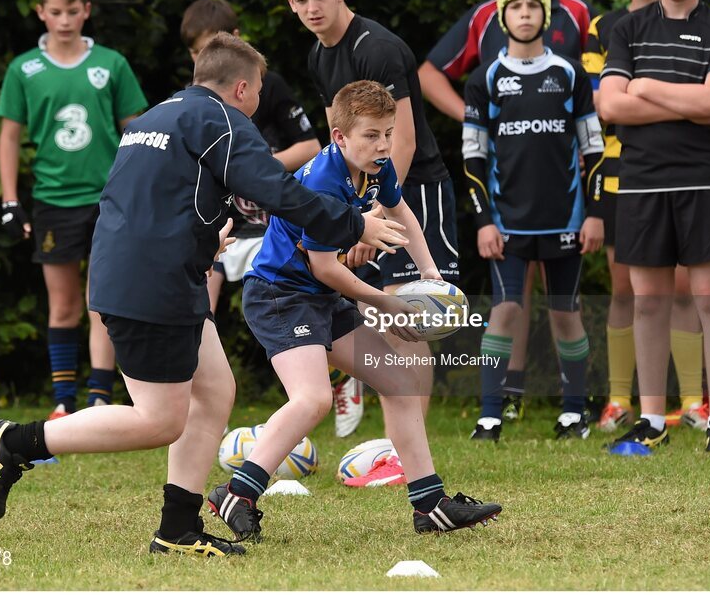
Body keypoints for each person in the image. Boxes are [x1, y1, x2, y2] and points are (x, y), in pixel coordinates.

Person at [0, 34, 411, 557]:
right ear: (243, 87)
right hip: (151, 283)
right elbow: (279, 190)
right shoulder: (220, 119)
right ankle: (16, 442)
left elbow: (147, 199)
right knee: (160, 419)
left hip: (149, 273)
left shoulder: (159, 116)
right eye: (258, 93)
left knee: (214, 392)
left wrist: (204, 239)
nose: (258, 105)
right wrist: (353, 223)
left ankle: (177, 529)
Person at [206, 80, 502, 539]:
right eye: (371, 135)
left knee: (399, 381)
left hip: (320, 298)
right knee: (314, 399)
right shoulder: (325, 180)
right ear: (339, 136)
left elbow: (400, 213)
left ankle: (430, 505)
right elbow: (325, 268)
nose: (383, 145)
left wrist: (430, 277)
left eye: (388, 133)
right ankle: (237, 493)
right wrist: (387, 303)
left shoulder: (375, 166)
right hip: (280, 296)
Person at [282, 0, 457, 485]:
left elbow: (397, 140)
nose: (313, 7)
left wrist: (371, 217)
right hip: (361, 201)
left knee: (409, 322)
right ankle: (398, 448)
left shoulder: (376, 47)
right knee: (376, 320)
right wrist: (350, 219)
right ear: (291, 4)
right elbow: (341, 144)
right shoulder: (318, 54)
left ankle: (407, 460)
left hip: (409, 191)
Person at [420, 0, 594, 423]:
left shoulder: (579, 14)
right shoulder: (482, 22)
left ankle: (576, 410)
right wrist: (476, 120)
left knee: (562, 304)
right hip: (506, 188)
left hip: (562, 187)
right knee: (509, 300)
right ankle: (502, 403)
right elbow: (429, 73)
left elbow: (592, 93)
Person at [177, 0, 367, 436]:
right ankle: (200, 396)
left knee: (310, 286)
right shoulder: (195, 108)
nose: (207, 62)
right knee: (197, 294)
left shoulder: (268, 88)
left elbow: (312, 147)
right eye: (197, 54)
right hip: (229, 227)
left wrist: (256, 173)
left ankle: (339, 377)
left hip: (278, 222)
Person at [597, 0, 710, 453]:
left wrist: (649, 87)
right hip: (641, 183)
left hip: (706, 180)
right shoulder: (628, 29)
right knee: (648, 302)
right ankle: (653, 419)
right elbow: (611, 107)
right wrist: (686, 98)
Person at [0, 0, 148, 420]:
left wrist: (142, 189)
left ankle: (99, 396)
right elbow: (8, 137)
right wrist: (9, 200)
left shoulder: (112, 64)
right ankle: (63, 401)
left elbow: (137, 131)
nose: (64, 20)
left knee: (101, 300)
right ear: (41, 12)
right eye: (55, 12)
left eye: (73, 11)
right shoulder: (24, 68)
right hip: (53, 201)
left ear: (87, 11)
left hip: (108, 200)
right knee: (62, 305)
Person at [464, 0, 604, 442]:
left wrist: (597, 213)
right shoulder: (485, 79)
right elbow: (471, 159)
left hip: (565, 219)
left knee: (566, 313)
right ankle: (489, 415)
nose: (525, 14)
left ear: (547, 14)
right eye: (516, 7)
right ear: (503, 17)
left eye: (533, 6)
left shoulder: (570, 74)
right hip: (506, 222)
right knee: (505, 311)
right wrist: (484, 220)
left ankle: (573, 413)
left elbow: (595, 150)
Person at [583, 0, 708, 434]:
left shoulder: (696, 23)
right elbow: (605, 105)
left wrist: (644, 97)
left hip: (684, 167)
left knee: (683, 288)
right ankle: (619, 401)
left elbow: (707, 102)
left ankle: (695, 401)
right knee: (626, 289)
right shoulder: (606, 26)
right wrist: (675, 103)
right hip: (619, 172)